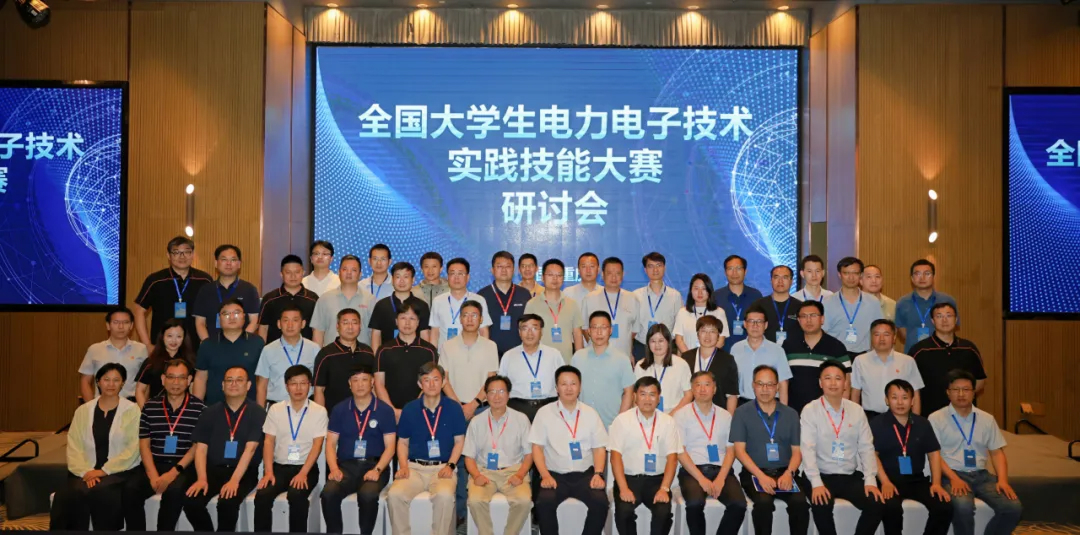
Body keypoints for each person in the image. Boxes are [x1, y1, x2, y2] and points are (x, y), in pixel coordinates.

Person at [929, 370, 1022, 535]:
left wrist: (1002, 480)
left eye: (966, 389)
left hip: (982, 476)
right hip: (951, 475)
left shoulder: (986, 419)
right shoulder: (936, 418)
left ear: (974, 392)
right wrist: (954, 478)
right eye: (956, 389)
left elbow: (997, 452)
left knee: (1013, 508)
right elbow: (935, 455)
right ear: (948, 392)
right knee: (963, 507)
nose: (961, 394)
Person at [50, 364, 141, 531]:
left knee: (102, 491)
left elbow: (133, 448)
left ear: (123, 383)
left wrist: (103, 471)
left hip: (119, 471)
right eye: (106, 379)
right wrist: (86, 472)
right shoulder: (83, 410)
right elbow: (74, 445)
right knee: (69, 494)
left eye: (116, 380)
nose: (111, 384)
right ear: (98, 382)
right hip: (85, 470)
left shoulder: (132, 410)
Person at [801, 360, 884, 535]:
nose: (833, 383)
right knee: (822, 503)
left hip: (849, 476)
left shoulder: (857, 410)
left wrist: (870, 480)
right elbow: (808, 449)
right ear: (820, 383)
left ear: (845, 383)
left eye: (838, 378)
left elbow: (866, 447)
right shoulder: (810, 410)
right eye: (827, 378)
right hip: (821, 474)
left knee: (876, 503)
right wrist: (816, 483)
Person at [123, 359, 207, 531]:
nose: (176, 382)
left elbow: (196, 447)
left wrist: (173, 472)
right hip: (154, 464)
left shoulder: (200, 409)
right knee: (130, 490)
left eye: (181, 378)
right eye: (171, 377)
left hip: (183, 467)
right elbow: (144, 445)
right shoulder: (150, 407)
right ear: (163, 379)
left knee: (174, 492)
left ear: (189, 380)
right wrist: (153, 475)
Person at [183, 366, 266, 532]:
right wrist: (202, 479)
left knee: (227, 503)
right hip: (213, 471)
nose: (233, 384)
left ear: (248, 385)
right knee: (191, 501)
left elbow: (250, 450)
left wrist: (234, 480)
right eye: (229, 380)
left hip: (243, 473)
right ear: (222, 385)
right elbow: (201, 449)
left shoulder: (257, 412)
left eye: (239, 380)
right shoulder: (209, 412)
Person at [388, 363, 468, 535]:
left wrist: (450, 466)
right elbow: (402, 442)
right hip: (414, 468)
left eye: (436, 379)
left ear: (443, 382)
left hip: (443, 468)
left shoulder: (454, 408)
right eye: (426, 380)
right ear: (420, 384)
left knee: (445, 496)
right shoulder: (410, 409)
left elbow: (459, 441)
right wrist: (403, 466)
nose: (431, 384)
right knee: (395, 495)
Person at [529, 365, 610, 535]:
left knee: (601, 503)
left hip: (585, 475)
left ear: (580, 387)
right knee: (544, 503)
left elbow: (599, 448)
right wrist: (545, 475)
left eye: (573, 383)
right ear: (556, 388)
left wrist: (598, 473)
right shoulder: (544, 413)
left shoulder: (590, 413)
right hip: (554, 475)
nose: (569, 388)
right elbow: (537, 447)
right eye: (564, 384)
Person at [731, 365, 811, 535]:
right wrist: (761, 476)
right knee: (763, 504)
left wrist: (789, 473)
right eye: (760, 384)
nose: (765, 389)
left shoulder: (791, 414)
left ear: (777, 387)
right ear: (753, 385)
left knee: (800, 504)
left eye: (770, 384)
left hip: (785, 472)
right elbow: (739, 451)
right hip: (754, 474)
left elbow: (797, 452)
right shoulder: (741, 413)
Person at [321, 365, 397, 535]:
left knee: (368, 495)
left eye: (364, 380)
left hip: (375, 466)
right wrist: (334, 469)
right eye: (355, 380)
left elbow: (390, 447)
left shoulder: (384, 410)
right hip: (346, 467)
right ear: (349, 384)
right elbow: (331, 444)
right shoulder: (339, 410)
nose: (360, 384)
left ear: (372, 382)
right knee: (328, 493)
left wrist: (377, 470)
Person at [872, 379, 953, 535]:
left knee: (944, 507)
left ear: (912, 401)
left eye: (905, 397)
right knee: (891, 509)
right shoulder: (877, 424)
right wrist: (885, 482)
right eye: (894, 397)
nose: (900, 402)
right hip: (889, 480)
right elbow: (872, 456)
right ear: (887, 400)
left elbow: (934, 454)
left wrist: (936, 483)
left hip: (916, 480)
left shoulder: (922, 423)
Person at [255, 365, 329, 533]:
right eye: (293, 383)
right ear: (286, 386)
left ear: (310, 386)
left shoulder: (319, 411)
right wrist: (268, 472)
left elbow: (317, 445)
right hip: (279, 468)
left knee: (296, 495)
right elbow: (268, 442)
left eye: (303, 383)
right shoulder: (275, 409)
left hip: (306, 468)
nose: (298, 388)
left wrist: (303, 473)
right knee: (262, 495)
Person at [674, 371, 747, 535]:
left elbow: (731, 450)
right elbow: (681, 452)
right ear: (692, 389)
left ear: (714, 389)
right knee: (695, 503)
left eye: (707, 385)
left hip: (721, 471)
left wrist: (721, 478)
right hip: (693, 472)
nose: (702, 389)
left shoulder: (725, 416)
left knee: (738, 505)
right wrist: (701, 479)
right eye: (698, 385)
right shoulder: (681, 415)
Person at [610, 377, 681, 535]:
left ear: (659, 398)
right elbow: (615, 457)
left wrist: (664, 488)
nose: (647, 399)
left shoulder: (668, 422)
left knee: (663, 512)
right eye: (643, 394)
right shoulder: (622, 420)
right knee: (623, 512)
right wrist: (623, 488)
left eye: (652, 394)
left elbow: (672, 459)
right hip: (629, 479)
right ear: (635, 396)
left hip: (657, 481)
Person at [464, 375, 533, 535]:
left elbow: (529, 454)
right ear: (486, 396)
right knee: (475, 500)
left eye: (501, 391)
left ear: (508, 394)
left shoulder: (521, 419)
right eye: (492, 392)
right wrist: (476, 476)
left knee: (524, 501)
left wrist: (520, 474)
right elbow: (469, 456)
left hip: (513, 471)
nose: (497, 396)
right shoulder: (476, 421)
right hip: (484, 472)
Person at [133, 235, 213, 346]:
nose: (182, 256)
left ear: (193, 254)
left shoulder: (204, 280)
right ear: (168, 255)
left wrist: (207, 343)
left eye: (187, 252)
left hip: (195, 346)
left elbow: (212, 312)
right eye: (176, 252)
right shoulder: (155, 280)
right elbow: (139, 310)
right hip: (162, 346)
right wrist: (147, 345)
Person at [909, 303, 987, 415]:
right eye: (939, 316)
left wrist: (962, 396)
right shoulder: (919, 350)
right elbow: (910, 385)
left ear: (956, 319)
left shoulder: (969, 348)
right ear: (932, 321)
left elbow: (980, 380)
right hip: (929, 414)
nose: (944, 320)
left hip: (964, 414)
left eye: (949, 315)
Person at [783, 300, 851, 414]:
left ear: (822, 319)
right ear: (798, 320)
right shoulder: (789, 345)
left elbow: (846, 383)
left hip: (826, 413)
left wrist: (840, 412)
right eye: (804, 316)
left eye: (813, 315)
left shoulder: (837, 347)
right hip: (794, 412)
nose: (808, 320)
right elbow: (783, 381)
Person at [193, 298, 264, 405]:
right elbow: (200, 378)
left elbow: (262, 380)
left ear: (244, 317)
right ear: (219, 318)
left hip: (249, 408)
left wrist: (260, 409)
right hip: (214, 407)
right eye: (226, 314)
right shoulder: (207, 345)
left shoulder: (257, 343)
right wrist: (196, 407)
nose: (231, 317)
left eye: (236, 313)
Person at [571, 310, 636, 427]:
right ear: (588, 331)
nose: (599, 332)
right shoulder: (578, 357)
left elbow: (628, 392)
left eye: (604, 327)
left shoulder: (622, 359)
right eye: (595, 327)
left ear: (610, 330)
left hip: (611, 425)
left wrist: (619, 422)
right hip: (581, 424)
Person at [375, 302, 440, 418]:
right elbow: (379, 383)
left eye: (412, 318)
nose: (407, 323)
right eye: (403, 318)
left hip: (421, 412)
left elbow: (431, 383)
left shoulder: (429, 350)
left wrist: (414, 409)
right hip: (390, 413)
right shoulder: (384, 350)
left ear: (418, 322)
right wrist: (393, 411)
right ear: (396, 321)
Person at [851, 319, 924, 420]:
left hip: (900, 416)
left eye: (886, 334)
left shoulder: (907, 361)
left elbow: (915, 393)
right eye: (877, 334)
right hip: (870, 418)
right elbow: (855, 393)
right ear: (871, 337)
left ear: (894, 337)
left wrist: (916, 421)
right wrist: (855, 419)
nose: (881, 339)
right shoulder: (860, 361)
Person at [441, 300, 499, 420]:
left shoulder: (491, 346)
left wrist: (472, 405)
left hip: (482, 408)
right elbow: (444, 379)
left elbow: (491, 379)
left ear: (481, 319)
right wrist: (459, 407)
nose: (470, 319)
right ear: (460, 319)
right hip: (454, 408)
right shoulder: (447, 346)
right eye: (465, 315)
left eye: (474, 315)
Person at [500, 314, 562, 421]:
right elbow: (501, 386)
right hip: (517, 408)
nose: (529, 333)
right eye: (525, 328)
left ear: (541, 331)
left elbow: (562, 382)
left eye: (534, 328)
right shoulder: (508, 356)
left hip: (549, 407)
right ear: (519, 332)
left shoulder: (554, 354)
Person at [79, 307, 148, 402]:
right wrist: (91, 407)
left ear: (131, 325)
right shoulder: (94, 349)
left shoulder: (142, 349)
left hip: (132, 405)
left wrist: (143, 407)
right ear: (108, 325)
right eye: (116, 322)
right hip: (102, 404)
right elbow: (85, 381)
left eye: (126, 322)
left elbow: (146, 382)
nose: (121, 326)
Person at [193, 244, 261, 341]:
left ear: (239, 264)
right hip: (212, 344)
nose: (228, 263)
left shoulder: (249, 289)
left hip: (241, 344)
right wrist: (207, 344)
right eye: (224, 259)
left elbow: (254, 321)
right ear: (216, 263)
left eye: (233, 260)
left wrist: (241, 343)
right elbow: (200, 323)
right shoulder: (205, 290)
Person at [314, 309, 377, 411]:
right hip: (334, 414)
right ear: (337, 326)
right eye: (345, 323)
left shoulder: (368, 352)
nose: (350, 327)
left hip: (365, 413)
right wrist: (321, 416)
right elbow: (319, 390)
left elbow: (373, 386)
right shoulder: (326, 354)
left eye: (354, 323)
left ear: (360, 326)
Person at [257, 304, 318, 408]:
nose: (290, 325)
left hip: (307, 407)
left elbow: (318, 386)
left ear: (303, 324)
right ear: (279, 324)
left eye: (295, 320)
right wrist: (260, 413)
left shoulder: (314, 349)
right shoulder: (268, 350)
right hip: (276, 407)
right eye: (285, 320)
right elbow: (262, 386)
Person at [524, 259, 584, 363]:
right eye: (550, 274)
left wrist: (580, 361)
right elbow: (527, 335)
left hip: (566, 362)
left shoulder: (572, 304)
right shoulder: (532, 304)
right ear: (542, 277)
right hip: (540, 362)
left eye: (559, 275)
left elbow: (577, 334)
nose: (555, 278)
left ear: (563, 278)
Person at [730, 306, 792, 406]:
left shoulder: (777, 350)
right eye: (751, 321)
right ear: (745, 324)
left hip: (770, 404)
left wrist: (783, 410)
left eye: (759, 321)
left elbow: (783, 383)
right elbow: (732, 384)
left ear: (765, 325)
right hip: (743, 404)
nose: (755, 325)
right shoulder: (736, 349)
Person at [823, 257, 883, 358]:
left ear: (861, 275)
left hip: (864, 356)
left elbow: (878, 330)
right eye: (846, 273)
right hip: (835, 356)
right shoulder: (827, 302)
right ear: (839, 275)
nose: (851, 277)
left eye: (855, 273)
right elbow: (823, 332)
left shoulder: (873, 302)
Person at [895, 259, 959, 354]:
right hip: (913, 355)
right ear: (912, 278)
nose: (922, 277)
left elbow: (952, 327)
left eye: (927, 273)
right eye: (918, 274)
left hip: (943, 353)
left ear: (933, 277)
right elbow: (903, 333)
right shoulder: (902, 303)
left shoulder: (947, 300)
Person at [430, 257, 493, 353]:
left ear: (468, 277)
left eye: (460, 273)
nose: (456, 278)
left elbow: (483, 330)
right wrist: (433, 356)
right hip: (444, 354)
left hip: (472, 353)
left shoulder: (479, 300)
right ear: (447, 277)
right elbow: (434, 332)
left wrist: (484, 353)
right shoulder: (438, 301)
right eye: (452, 274)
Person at [311, 255, 375, 347]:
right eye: (345, 269)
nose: (349, 273)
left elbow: (375, 334)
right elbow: (318, 332)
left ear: (360, 274)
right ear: (339, 272)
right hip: (332, 354)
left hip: (362, 354)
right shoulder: (325, 299)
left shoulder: (370, 300)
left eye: (353, 270)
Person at [581, 256, 641, 356]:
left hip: (623, 356)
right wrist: (595, 344)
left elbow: (634, 330)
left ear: (623, 274)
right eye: (609, 273)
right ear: (602, 274)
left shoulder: (632, 298)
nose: (614, 277)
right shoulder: (590, 298)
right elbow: (585, 328)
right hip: (596, 355)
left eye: (617, 273)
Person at [476, 251, 532, 358]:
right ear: (492, 270)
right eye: (499, 266)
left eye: (508, 266)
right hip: (491, 354)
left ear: (514, 270)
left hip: (519, 353)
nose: (504, 270)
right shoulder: (482, 295)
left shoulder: (524, 294)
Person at [368, 261, 432, 352]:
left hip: (415, 355)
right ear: (392, 280)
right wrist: (376, 357)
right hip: (387, 356)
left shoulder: (422, 306)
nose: (402, 281)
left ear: (413, 279)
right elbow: (376, 335)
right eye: (398, 277)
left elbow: (424, 334)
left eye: (406, 277)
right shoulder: (381, 305)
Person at [681, 316, 739, 414]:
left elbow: (732, 395)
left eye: (712, 331)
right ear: (698, 334)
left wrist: (729, 419)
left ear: (718, 336)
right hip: (689, 413)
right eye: (703, 331)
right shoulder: (686, 358)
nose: (707, 336)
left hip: (717, 414)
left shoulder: (727, 360)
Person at [135, 318, 196, 407]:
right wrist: (145, 411)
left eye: (178, 336)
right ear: (162, 337)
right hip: (156, 409)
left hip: (183, 410)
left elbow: (193, 389)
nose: (174, 341)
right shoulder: (151, 361)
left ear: (184, 338)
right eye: (169, 336)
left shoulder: (190, 361)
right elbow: (140, 390)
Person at [633, 252, 683, 361]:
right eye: (650, 266)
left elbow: (680, 326)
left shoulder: (675, 295)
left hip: (668, 347)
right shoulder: (635, 295)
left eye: (659, 265)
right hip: (641, 347)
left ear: (664, 268)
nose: (655, 270)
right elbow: (631, 325)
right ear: (645, 270)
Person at [259, 254, 319, 343]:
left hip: (305, 350)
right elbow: (263, 328)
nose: (293, 276)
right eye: (288, 272)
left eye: (297, 272)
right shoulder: (269, 299)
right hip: (275, 350)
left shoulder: (313, 299)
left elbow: (316, 329)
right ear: (281, 274)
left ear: (303, 273)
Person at [634, 324, 692, 414]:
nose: (657, 345)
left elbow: (688, 395)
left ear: (668, 342)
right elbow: (635, 395)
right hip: (648, 414)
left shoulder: (681, 364)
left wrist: (672, 415)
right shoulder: (640, 366)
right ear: (648, 344)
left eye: (661, 341)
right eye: (653, 341)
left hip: (675, 414)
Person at [713, 254, 764, 353]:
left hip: (750, 351)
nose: (734, 272)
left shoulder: (755, 296)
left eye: (738, 268)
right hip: (723, 353)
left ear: (745, 271)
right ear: (725, 272)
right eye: (730, 268)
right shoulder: (716, 296)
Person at [673, 273, 729, 353]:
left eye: (704, 289)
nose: (700, 293)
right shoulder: (682, 312)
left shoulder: (719, 312)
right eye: (696, 288)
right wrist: (689, 357)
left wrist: (707, 357)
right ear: (691, 291)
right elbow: (679, 340)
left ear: (709, 291)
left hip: (711, 358)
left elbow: (721, 340)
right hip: (687, 358)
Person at [752, 265, 803, 344]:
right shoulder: (758, 305)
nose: (780, 281)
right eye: (776, 277)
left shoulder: (801, 307)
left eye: (785, 277)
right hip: (765, 350)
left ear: (791, 281)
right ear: (771, 280)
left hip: (793, 350)